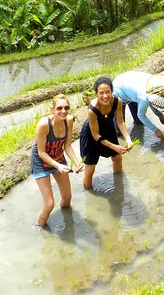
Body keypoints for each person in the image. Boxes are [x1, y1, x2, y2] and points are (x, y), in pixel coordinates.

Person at [31, 94, 81, 227]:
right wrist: (57, 165)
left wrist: (77, 162)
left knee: (67, 197)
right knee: (49, 204)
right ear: (52, 109)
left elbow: (67, 146)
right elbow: (41, 152)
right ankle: (40, 227)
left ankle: (67, 220)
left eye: (66, 107)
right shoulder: (43, 125)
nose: (63, 111)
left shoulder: (69, 121)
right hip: (41, 162)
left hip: (58, 157)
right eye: (59, 108)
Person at [80, 77, 133, 189]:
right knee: (90, 169)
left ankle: (119, 187)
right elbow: (96, 135)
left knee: (117, 158)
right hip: (91, 134)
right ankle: (88, 192)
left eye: (108, 92)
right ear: (97, 94)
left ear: (112, 91)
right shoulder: (92, 110)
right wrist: (114, 146)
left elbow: (120, 121)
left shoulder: (117, 101)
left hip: (108, 128)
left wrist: (128, 139)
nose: (105, 96)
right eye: (101, 93)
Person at [112, 71, 164, 141]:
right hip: (118, 88)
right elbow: (141, 115)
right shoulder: (144, 96)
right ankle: (118, 137)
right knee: (119, 126)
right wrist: (156, 130)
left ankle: (137, 126)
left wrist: (160, 115)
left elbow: (152, 100)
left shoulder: (155, 85)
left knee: (139, 122)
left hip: (131, 87)